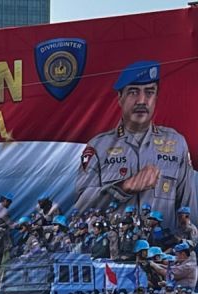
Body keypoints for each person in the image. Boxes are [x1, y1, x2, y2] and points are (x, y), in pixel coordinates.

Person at [75, 60, 195, 225]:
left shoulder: (176, 144)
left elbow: (187, 210)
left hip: (160, 248)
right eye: (133, 92)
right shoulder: (97, 147)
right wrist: (123, 187)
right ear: (120, 97)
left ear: (156, 96)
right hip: (113, 247)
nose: (142, 100)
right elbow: (81, 205)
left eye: (149, 92)